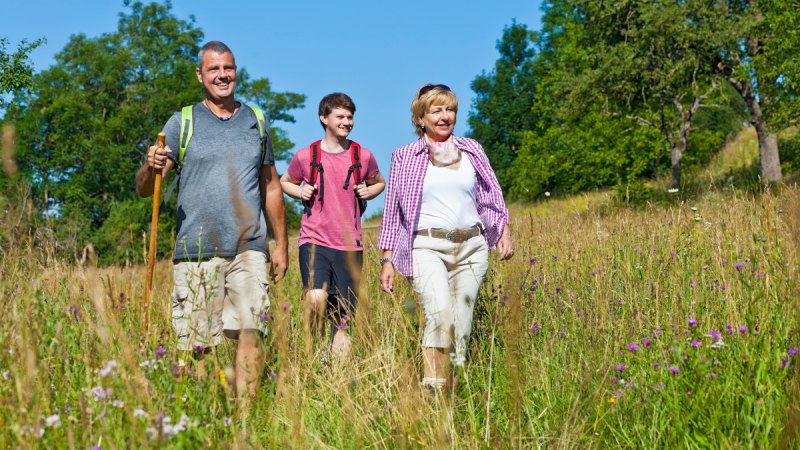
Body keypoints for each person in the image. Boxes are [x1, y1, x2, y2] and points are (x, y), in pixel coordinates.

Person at [135, 41, 288, 403]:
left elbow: (271, 185)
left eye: (228, 68)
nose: (223, 75)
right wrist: (150, 165)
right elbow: (146, 189)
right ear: (200, 75)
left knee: (251, 329)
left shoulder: (257, 120)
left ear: (236, 71)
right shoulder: (182, 122)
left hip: (249, 245)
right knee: (199, 342)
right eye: (214, 69)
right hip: (196, 248)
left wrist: (280, 244)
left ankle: (245, 416)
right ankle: (208, 414)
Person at [378, 83, 514, 390]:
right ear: (421, 118)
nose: (444, 116)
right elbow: (393, 211)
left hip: (471, 245)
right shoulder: (405, 156)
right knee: (439, 313)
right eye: (436, 110)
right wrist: (387, 259)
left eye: (449, 109)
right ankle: (433, 390)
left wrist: (503, 229)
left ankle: (453, 384)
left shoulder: (471, 150)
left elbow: (491, 194)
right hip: (426, 245)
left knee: (461, 321)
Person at [281, 92, 385, 361]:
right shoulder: (307, 155)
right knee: (315, 297)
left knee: (344, 315)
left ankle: (336, 373)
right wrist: (299, 192)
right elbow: (285, 181)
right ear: (324, 118)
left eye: (350, 117)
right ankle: (313, 350)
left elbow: (379, 182)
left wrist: (368, 191)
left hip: (350, 244)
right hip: (314, 240)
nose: (347, 121)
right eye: (340, 116)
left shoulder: (362, 154)